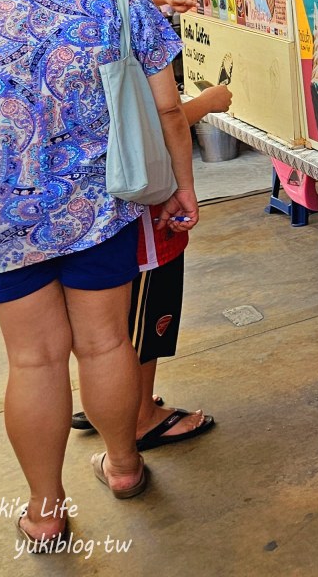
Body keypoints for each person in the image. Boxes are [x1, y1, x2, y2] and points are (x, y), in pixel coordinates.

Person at [0, 0, 197, 549]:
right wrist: (180, 190)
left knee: (32, 362)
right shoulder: (120, 6)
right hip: (98, 211)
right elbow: (170, 111)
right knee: (107, 345)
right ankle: (122, 466)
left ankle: (46, 509)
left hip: (1, 223)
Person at [69, 83, 228, 449]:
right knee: (140, 328)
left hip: (81, 219)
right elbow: (160, 119)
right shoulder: (128, 23)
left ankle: (110, 404)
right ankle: (140, 416)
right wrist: (207, 103)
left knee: (99, 335)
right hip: (140, 221)